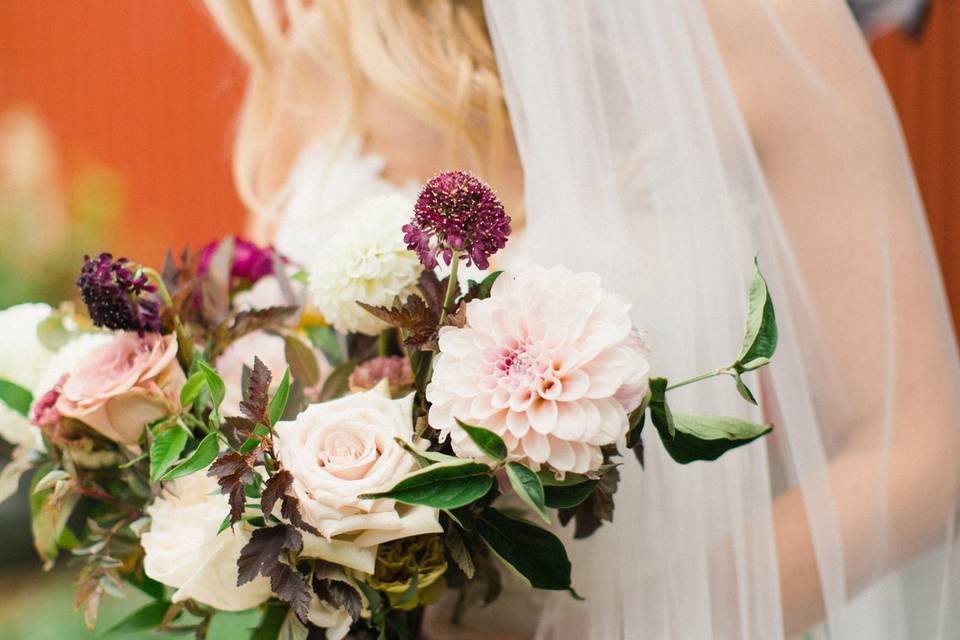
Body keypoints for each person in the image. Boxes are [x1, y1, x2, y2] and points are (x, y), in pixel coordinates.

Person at [205, 1, 960, 638]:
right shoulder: (326, 47)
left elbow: (919, 456)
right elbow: (271, 372)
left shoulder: (760, 21)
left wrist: (627, 627)